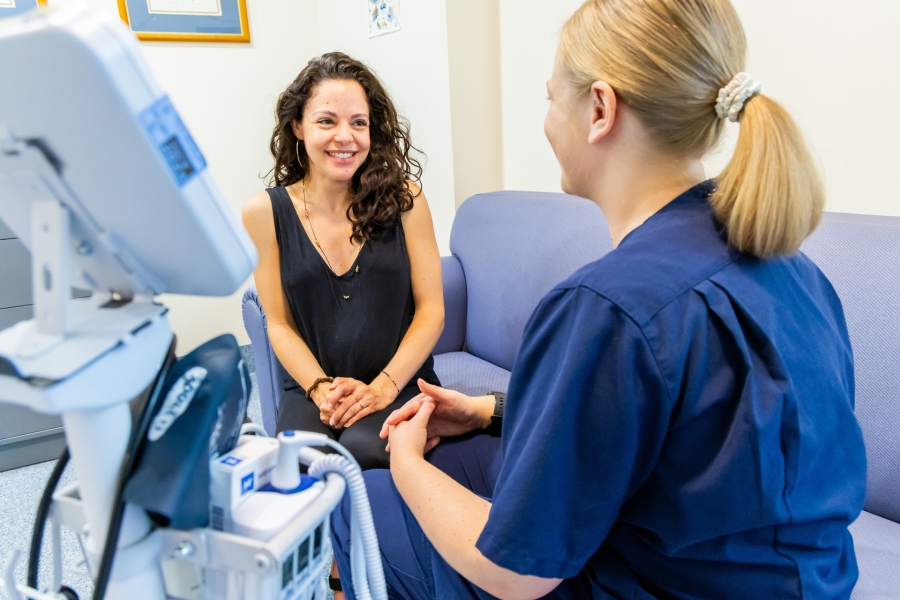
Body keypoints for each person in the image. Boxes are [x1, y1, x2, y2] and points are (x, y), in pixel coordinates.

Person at [330, 0, 867, 598]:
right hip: (797, 580)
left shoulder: (607, 306)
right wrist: (489, 411)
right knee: (469, 454)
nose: (547, 121)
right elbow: (699, 431)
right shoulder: (794, 268)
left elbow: (518, 575)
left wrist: (404, 462)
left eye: (551, 98)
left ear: (600, 109)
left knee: (361, 496)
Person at [242, 52, 444, 472]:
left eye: (358, 122)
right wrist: (319, 389)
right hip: (316, 386)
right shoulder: (263, 213)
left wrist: (383, 388)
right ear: (297, 127)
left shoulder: (406, 199)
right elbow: (277, 322)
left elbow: (431, 311)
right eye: (326, 121)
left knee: (367, 448)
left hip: (399, 379)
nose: (345, 137)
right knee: (302, 461)